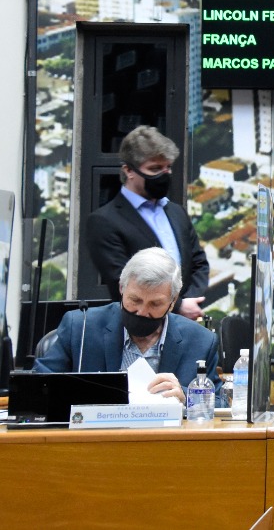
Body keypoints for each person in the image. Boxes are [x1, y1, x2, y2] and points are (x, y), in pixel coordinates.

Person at [36, 248, 219, 403]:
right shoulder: (81, 327)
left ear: (172, 302)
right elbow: (37, 385)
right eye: (135, 300)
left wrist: (187, 396)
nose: (141, 311)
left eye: (155, 304)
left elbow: (221, 402)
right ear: (122, 289)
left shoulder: (201, 341)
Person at [86, 125, 210, 321]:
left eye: (167, 167)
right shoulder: (104, 221)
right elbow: (122, 281)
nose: (164, 174)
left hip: (184, 326)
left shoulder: (176, 212)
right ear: (129, 170)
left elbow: (198, 263)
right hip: (140, 325)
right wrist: (177, 306)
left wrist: (191, 301)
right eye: (154, 169)